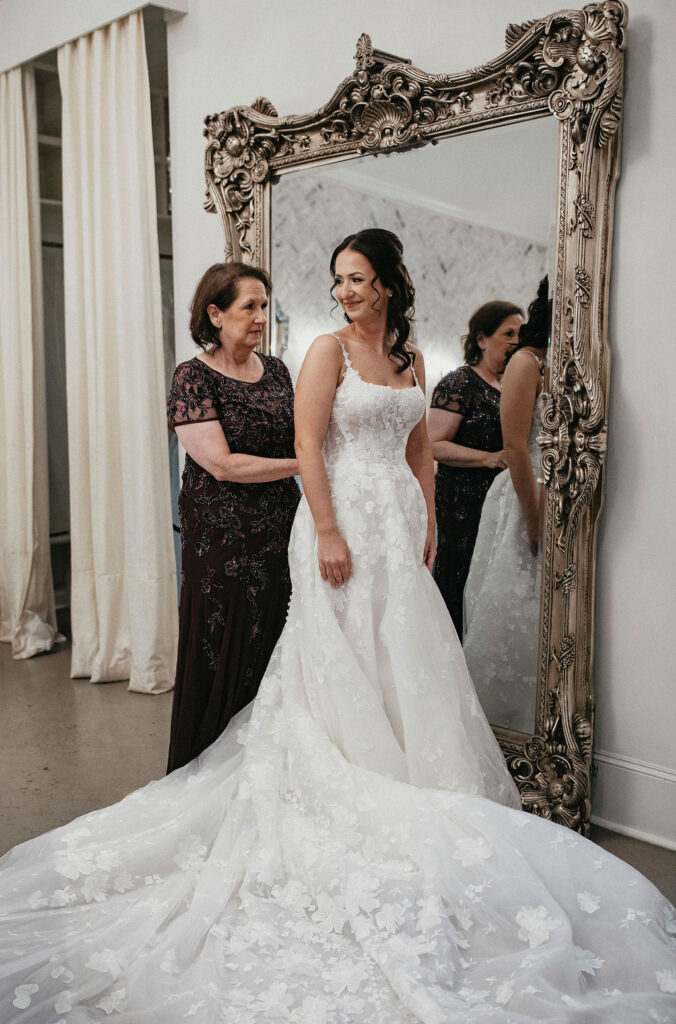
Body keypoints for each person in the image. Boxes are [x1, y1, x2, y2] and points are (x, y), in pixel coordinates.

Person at [0, 235, 674, 1024]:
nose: (345, 291)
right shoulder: (326, 351)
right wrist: (325, 528)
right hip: (342, 516)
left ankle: (411, 765)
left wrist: (427, 520)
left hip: (396, 522)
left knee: (406, 650)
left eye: (356, 279)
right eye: (339, 281)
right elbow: (307, 444)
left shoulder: (411, 358)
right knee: (340, 652)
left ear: (388, 284)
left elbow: (420, 449)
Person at [165, 262, 300, 772]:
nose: (261, 316)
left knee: (274, 638)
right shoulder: (193, 377)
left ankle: (262, 768)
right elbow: (221, 464)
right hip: (221, 537)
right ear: (215, 314)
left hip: (281, 530)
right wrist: (305, 465)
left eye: (264, 305)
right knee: (224, 643)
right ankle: (208, 765)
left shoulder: (278, 371)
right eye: (250, 306)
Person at [463, 279, 550, 733]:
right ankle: (497, 725)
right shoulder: (526, 362)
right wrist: (534, 520)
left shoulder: (573, 364)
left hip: (563, 497)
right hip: (522, 497)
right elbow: (516, 447)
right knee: (510, 611)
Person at [428, 301, 523, 636]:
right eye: (508, 333)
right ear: (481, 339)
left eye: (520, 334)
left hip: (502, 502)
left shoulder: (513, 386)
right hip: (462, 503)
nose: (515, 341)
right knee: (461, 576)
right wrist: (489, 458)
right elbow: (432, 445)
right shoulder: (459, 383)